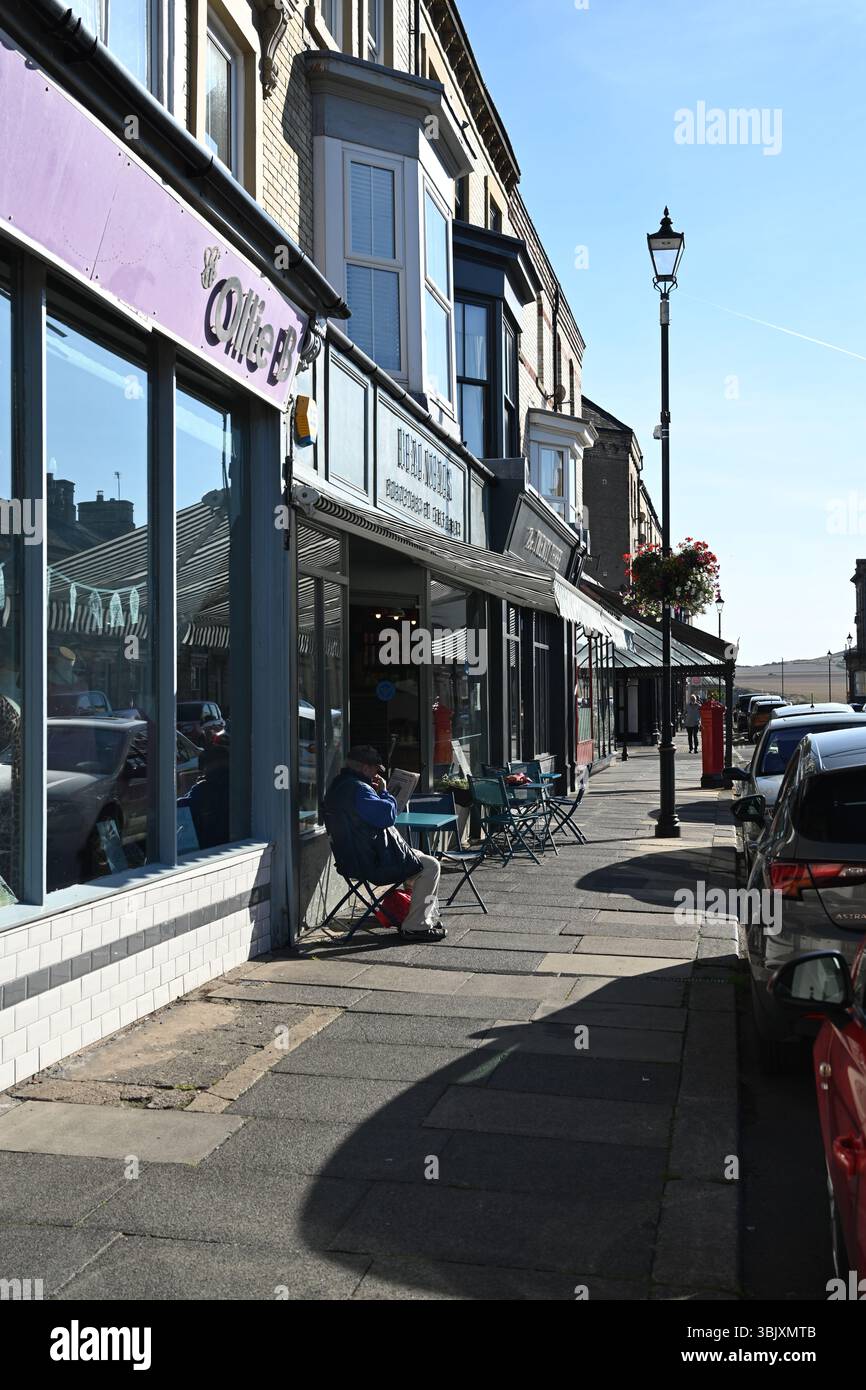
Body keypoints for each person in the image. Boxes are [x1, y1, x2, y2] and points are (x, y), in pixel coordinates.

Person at [323, 745, 446, 940]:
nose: (376, 774)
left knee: (420, 857)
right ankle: (416, 925)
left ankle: (419, 914)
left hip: (354, 857)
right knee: (431, 866)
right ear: (365, 768)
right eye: (374, 769)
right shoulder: (360, 790)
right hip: (370, 862)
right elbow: (387, 817)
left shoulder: (338, 785)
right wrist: (385, 792)